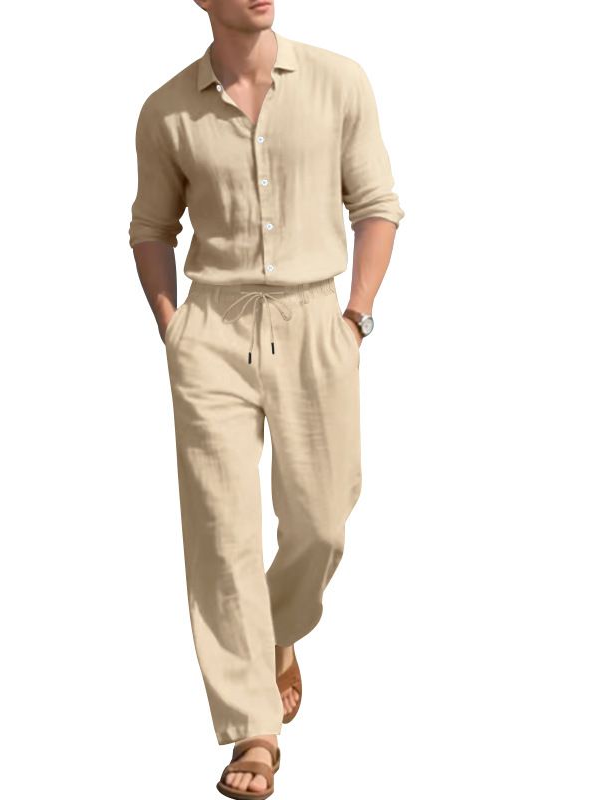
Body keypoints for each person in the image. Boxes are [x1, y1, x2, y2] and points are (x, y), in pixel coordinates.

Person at [129, 3, 404, 797]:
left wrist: (355, 316)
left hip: (316, 319)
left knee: (322, 519)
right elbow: (151, 226)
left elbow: (377, 204)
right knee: (222, 532)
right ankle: (254, 730)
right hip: (212, 327)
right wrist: (173, 326)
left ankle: (275, 631)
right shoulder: (167, 110)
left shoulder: (339, 82)